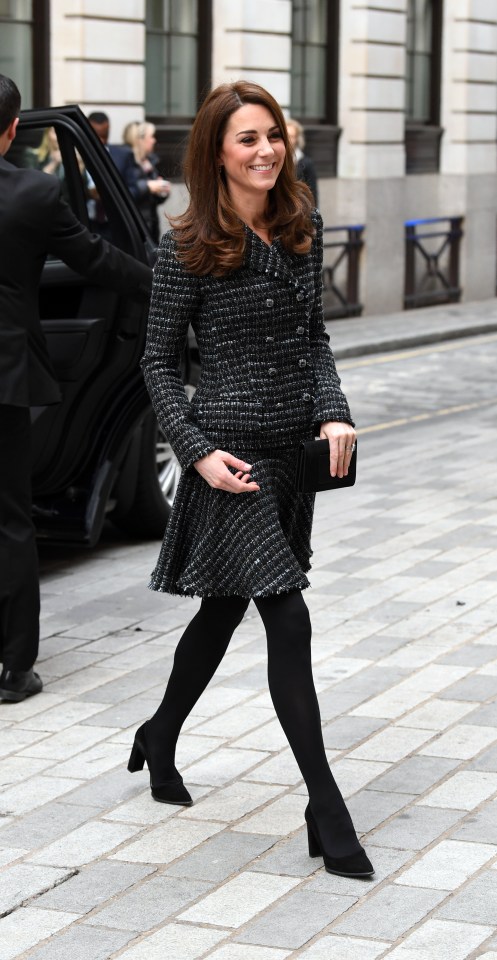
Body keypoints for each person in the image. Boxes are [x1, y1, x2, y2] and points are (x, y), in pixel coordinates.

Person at [127, 81, 373, 880]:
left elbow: (314, 341)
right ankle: (325, 807)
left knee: (224, 609)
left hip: (291, 453)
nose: (265, 150)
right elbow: (158, 362)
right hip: (229, 461)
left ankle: (160, 733)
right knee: (287, 619)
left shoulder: (302, 226)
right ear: (215, 152)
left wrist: (333, 412)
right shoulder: (188, 240)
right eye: (246, 139)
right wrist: (194, 450)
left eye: (272, 135)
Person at [0, 74, 153, 702]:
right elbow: (95, 259)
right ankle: (15, 669)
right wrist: (167, 283)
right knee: (10, 520)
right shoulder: (33, 192)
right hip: (6, 378)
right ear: (13, 129)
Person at [126, 122, 170, 243]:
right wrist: (148, 186)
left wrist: (162, 191)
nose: (154, 140)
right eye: (151, 136)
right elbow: (124, 193)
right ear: (140, 139)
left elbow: (155, 200)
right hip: (135, 228)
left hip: (151, 226)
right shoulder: (127, 162)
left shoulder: (151, 161)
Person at [286, 117, 318, 207]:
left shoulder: (307, 163)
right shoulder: (274, 159)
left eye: (291, 136)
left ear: (297, 139)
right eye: (286, 135)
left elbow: (313, 193)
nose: (288, 139)